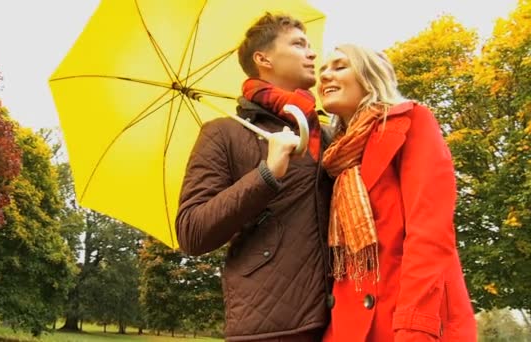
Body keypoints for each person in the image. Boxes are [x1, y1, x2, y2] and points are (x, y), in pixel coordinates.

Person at [176, 13, 333, 342]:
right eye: (298, 44)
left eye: (309, 45)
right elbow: (192, 231)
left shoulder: (328, 134)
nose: (313, 54)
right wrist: (266, 175)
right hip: (269, 329)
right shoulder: (224, 134)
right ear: (264, 59)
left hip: (341, 319)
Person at [317, 44, 477, 341]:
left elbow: (430, 233)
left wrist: (414, 326)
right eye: (322, 70)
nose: (324, 75)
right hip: (346, 325)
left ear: (369, 76)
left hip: (404, 318)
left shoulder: (411, 122)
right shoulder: (334, 155)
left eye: (339, 66)